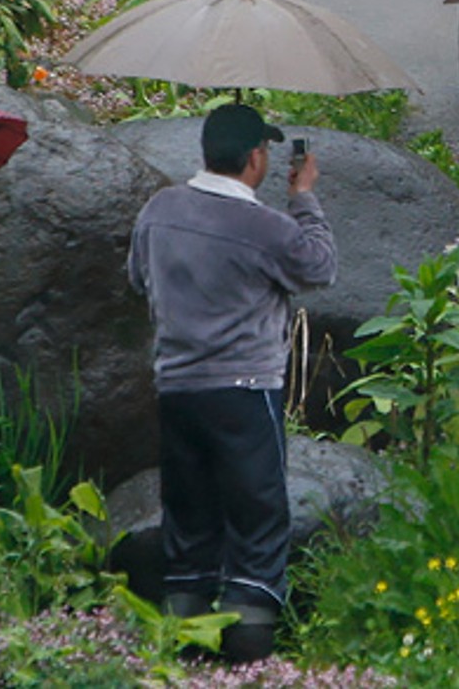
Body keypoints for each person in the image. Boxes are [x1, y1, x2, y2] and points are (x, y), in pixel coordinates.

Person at [126, 103, 337, 663]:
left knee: (188, 518)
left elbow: (136, 277)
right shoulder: (265, 227)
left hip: (177, 391)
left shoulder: (159, 210)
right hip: (246, 392)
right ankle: (248, 654)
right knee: (258, 520)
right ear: (255, 158)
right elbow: (319, 267)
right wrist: (304, 199)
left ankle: (185, 652)